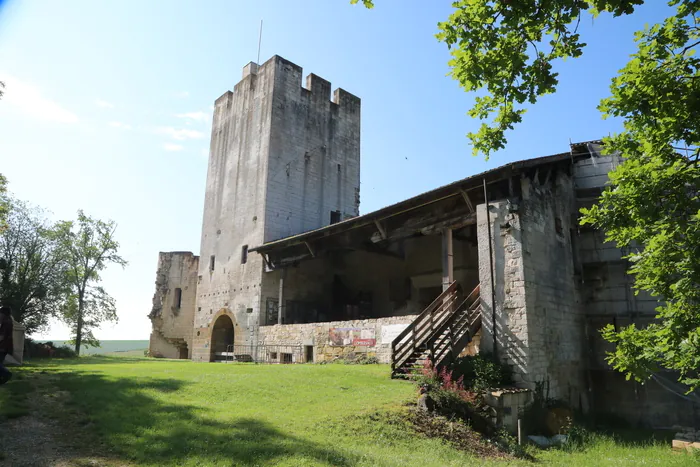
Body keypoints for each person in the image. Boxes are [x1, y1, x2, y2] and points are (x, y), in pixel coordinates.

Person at [0, 305, 14, 384]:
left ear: (3, 314)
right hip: (5, 347)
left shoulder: (6, 323)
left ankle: (6, 373)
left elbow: (2, 337)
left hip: (2, 346)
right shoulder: (8, 321)